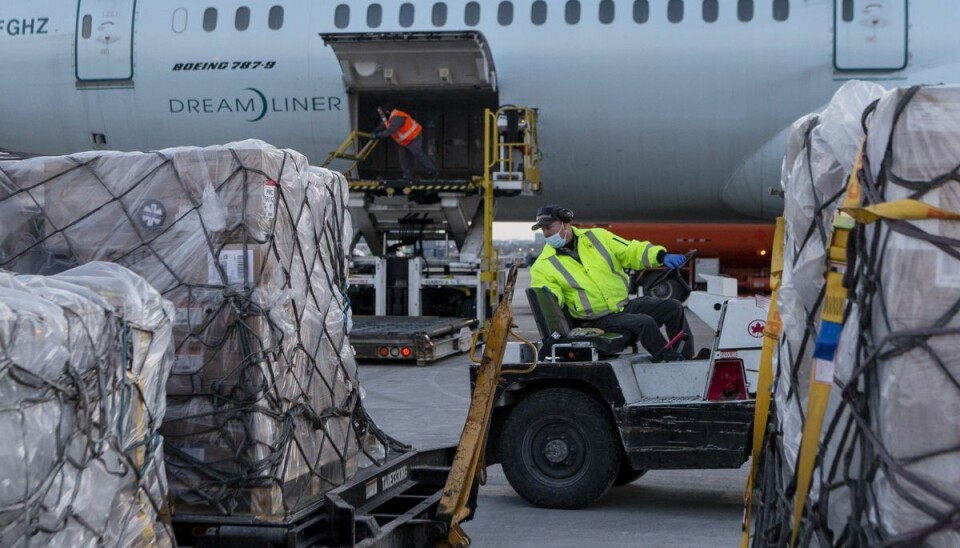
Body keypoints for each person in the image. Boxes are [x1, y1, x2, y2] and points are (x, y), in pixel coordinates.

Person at [529, 205, 696, 362]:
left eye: (549, 227)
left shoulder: (597, 237)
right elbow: (550, 294)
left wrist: (661, 256)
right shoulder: (543, 265)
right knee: (645, 322)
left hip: (623, 307)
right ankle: (669, 363)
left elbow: (631, 251)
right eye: (543, 230)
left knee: (673, 307)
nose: (546, 233)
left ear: (565, 224)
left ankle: (686, 358)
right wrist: (549, 297)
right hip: (596, 319)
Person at [372, 104, 439, 181]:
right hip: (404, 141)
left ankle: (432, 171)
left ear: (387, 112)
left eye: (382, 114)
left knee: (418, 154)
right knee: (404, 158)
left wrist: (378, 135)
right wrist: (376, 130)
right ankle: (407, 177)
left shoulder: (397, 117)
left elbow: (391, 130)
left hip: (413, 137)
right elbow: (384, 125)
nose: (381, 116)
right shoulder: (389, 118)